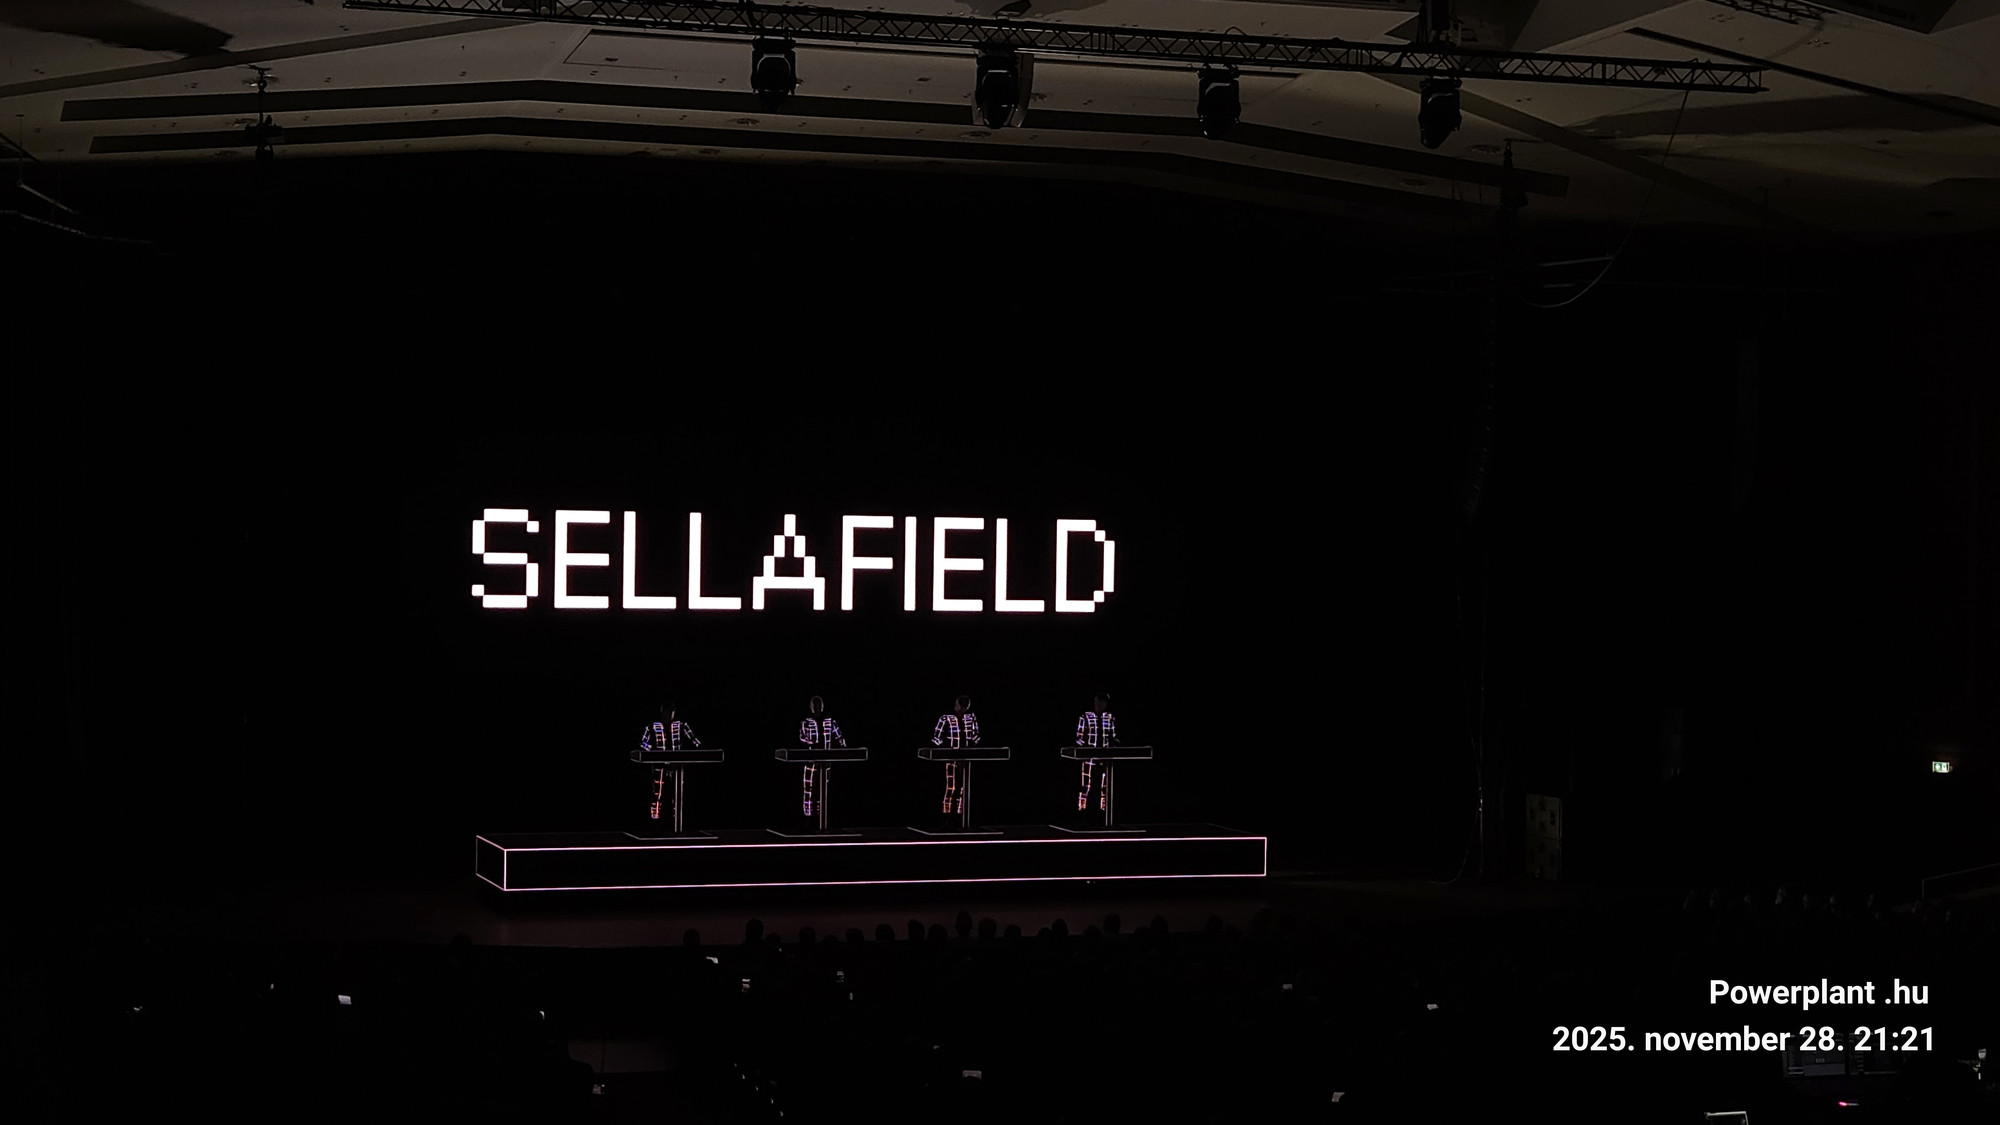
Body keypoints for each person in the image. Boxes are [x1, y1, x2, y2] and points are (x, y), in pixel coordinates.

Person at [639, 703, 699, 825]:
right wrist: (652, 753)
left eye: (670, 713)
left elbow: (694, 741)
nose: (667, 716)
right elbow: (644, 744)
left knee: (677, 793)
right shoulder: (652, 727)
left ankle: (677, 819)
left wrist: (693, 753)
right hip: (659, 764)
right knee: (657, 793)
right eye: (666, 713)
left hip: (677, 764)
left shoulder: (681, 725)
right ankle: (655, 820)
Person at [932, 695, 980, 815]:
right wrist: (946, 750)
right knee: (951, 787)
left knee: (963, 786)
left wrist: (970, 747)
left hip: (966, 756)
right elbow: (936, 737)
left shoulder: (971, 718)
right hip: (951, 756)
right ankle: (947, 813)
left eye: (965, 707)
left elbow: (976, 736)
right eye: (961, 706)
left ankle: (961, 813)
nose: (962, 710)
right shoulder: (946, 719)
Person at [799, 695, 846, 818]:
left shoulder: (830, 722)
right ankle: (809, 816)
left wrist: (843, 750)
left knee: (823, 787)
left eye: (819, 705)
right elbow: (803, 738)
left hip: (826, 761)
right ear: (811, 707)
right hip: (811, 761)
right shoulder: (806, 723)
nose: (817, 707)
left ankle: (821, 815)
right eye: (814, 705)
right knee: (809, 787)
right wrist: (812, 746)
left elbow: (839, 737)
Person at [1075, 692, 1116, 812]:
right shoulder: (1086, 717)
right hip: (1089, 756)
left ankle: (1105, 809)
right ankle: (1082, 809)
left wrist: (1111, 747)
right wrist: (1085, 749)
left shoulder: (1109, 718)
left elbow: (1113, 736)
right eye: (1098, 703)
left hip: (1104, 757)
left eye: (1102, 704)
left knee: (1105, 785)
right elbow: (1079, 737)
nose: (1099, 706)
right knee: (1085, 785)